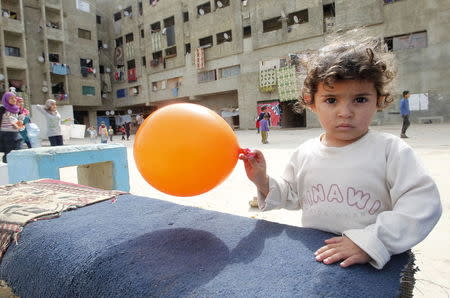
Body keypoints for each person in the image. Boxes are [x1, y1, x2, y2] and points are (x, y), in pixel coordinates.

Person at [240, 34, 442, 270]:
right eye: (331, 100)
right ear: (311, 102)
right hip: (319, 258)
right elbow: (291, 194)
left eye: (359, 99)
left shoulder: (391, 151)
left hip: (372, 263)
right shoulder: (305, 153)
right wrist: (263, 181)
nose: (345, 112)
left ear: (379, 100)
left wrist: (369, 242)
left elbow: (422, 205)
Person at [0, 92, 22, 163]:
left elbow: (18, 121)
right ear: (6, 99)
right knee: (9, 153)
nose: (14, 100)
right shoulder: (2, 109)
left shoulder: (16, 109)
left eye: (15, 98)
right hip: (6, 134)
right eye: (11, 98)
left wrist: (19, 125)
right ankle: (7, 168)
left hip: (16, 133)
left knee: (17, 151)